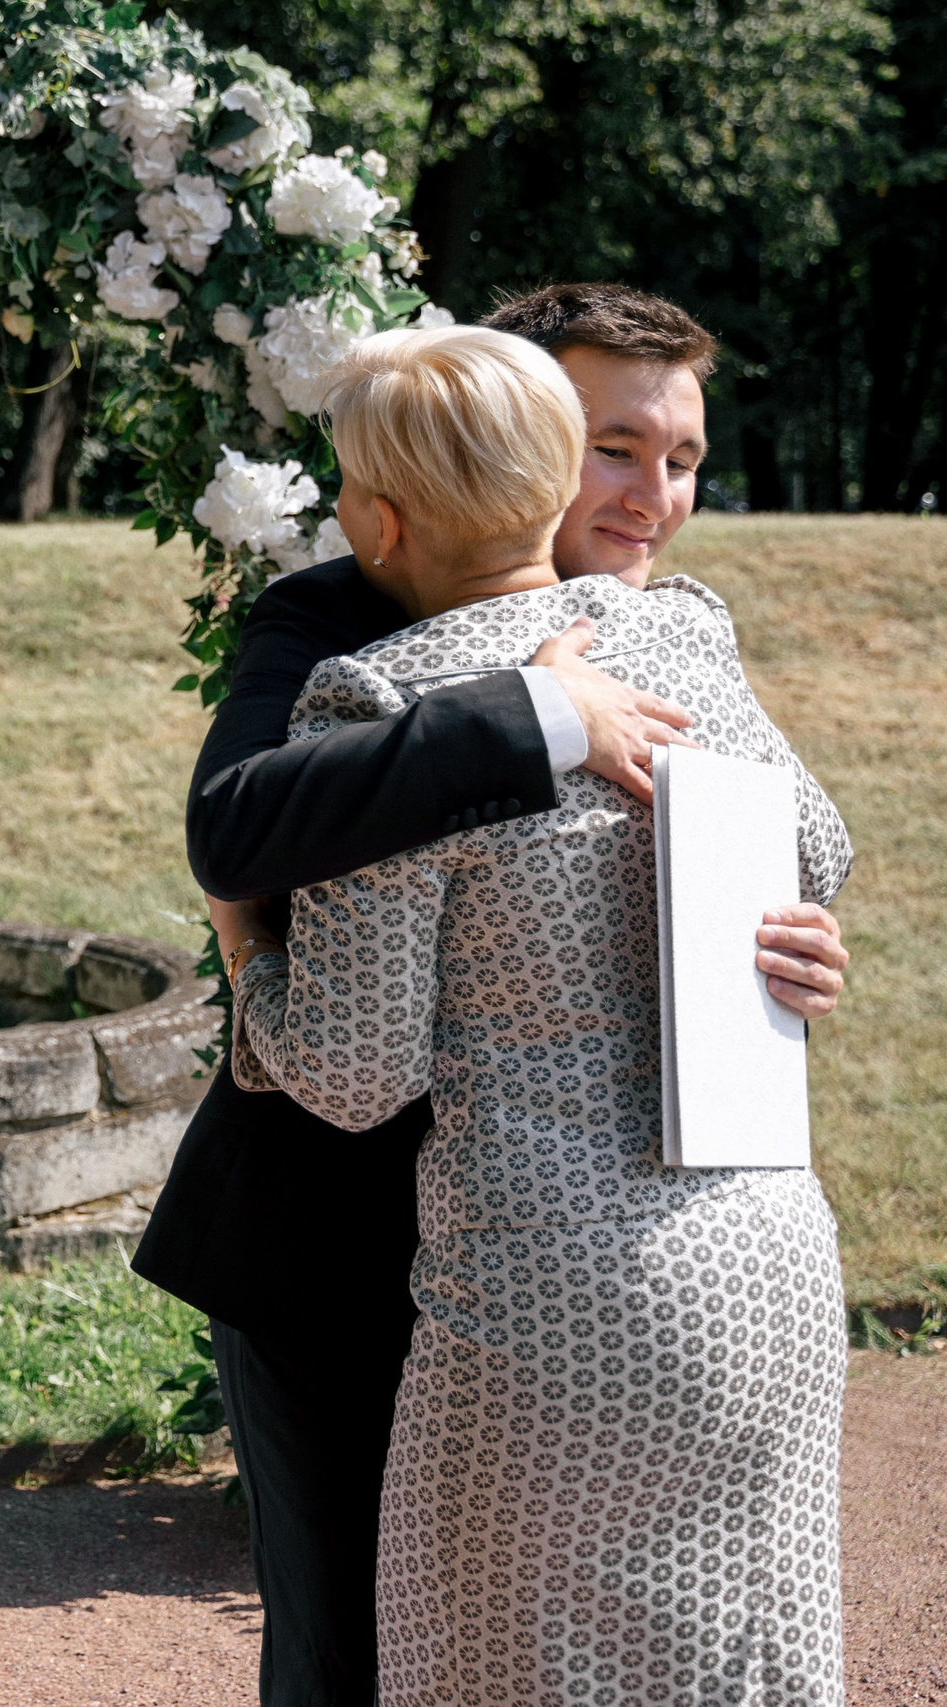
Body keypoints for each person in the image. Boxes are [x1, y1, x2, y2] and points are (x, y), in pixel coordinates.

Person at [132, 282, 853, 1707]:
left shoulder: (645, 634)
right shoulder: (339, 625)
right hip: (356, 1255)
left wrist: (782, 938)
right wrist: (530, 716)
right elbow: (236, 819)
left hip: (539, 1280)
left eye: (682, 459)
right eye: (614, 447)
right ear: (534, 450)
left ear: (384, 504)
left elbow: (345, 1054)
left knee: (491, 1657)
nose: (652, 496)